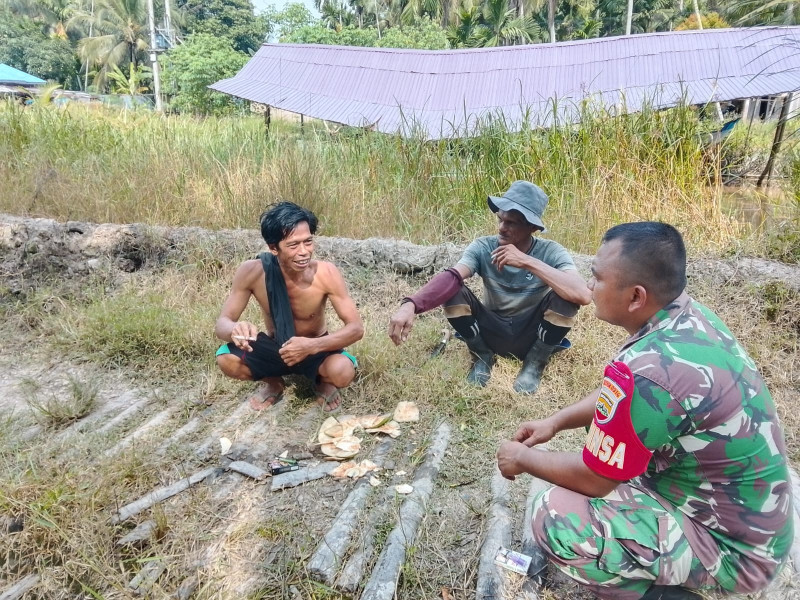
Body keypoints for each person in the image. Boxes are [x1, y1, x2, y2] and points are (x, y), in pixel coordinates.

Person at [496, 222, 792, 600]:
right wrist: (555, 422)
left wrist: (521, 458)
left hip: (736, 552)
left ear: (636, 297)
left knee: (555, 516)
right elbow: (625, 396)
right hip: (750, 523)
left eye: (598, 278)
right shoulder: (687, 319)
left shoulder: (651, 370)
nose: (590, 287)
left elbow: (596, 478)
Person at [388, 181, 591, 393]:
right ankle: (482, 355)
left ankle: (535, 362)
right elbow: (453, 276)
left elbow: (582, 295)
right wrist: (411, 304)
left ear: (533, 228)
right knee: (453, 290)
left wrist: (526, 261)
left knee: (566, 298)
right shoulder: (483, 247)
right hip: (491, 328)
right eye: (500, 219)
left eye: (511, 222)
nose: (502, 228)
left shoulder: (551, 252)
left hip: (531, 332)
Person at [214, 202, 364, 412]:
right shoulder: (252, 272)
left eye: (308, 242)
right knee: (226, 360)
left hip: (316, 348)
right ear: (273, 248)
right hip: (277, 348)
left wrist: (311, 346)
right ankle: (274, 381)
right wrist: (235, 330)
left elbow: (356, 328)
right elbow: (222, 324)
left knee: (342, 371)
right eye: (294, 245)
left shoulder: (326, 273)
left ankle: (323, 381)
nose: (304, 252)